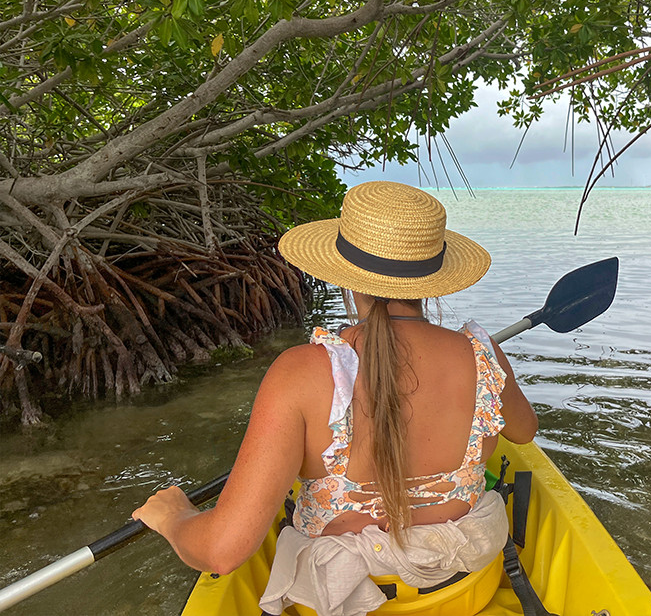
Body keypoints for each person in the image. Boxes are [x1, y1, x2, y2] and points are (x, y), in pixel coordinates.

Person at [132, 181, 538, 616]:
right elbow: (524, 430)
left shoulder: (300, 372)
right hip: (459, 589)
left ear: (346, 277)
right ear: (431, 280)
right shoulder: (481, 353)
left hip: (338, 597)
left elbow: (222, 552)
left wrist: (173, 517)